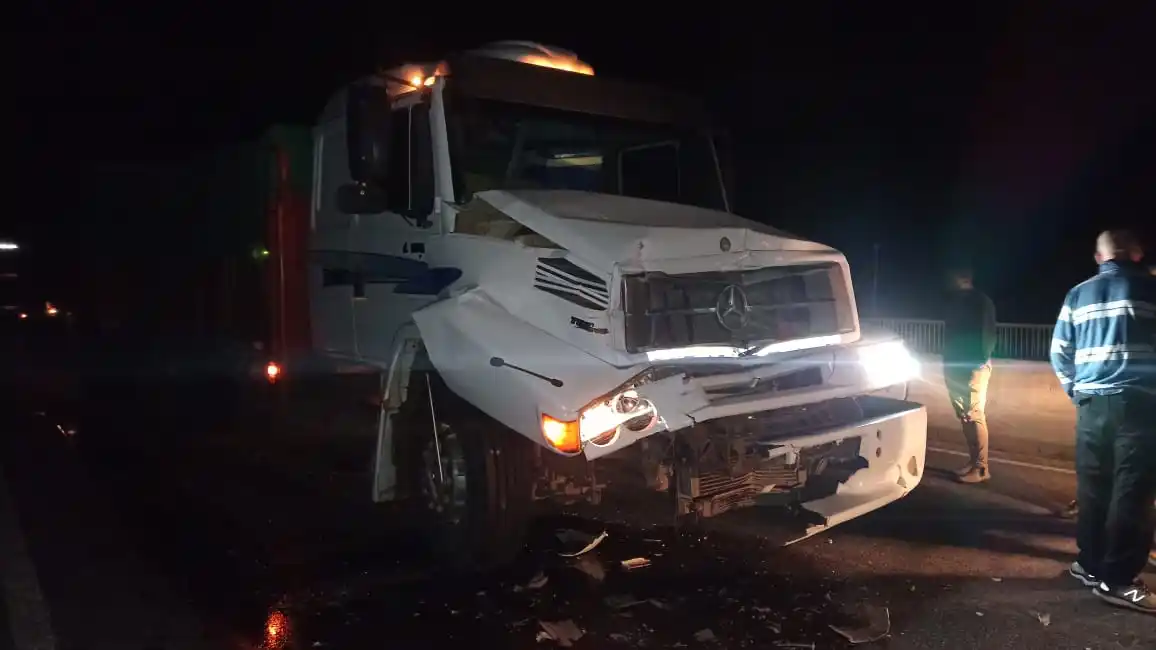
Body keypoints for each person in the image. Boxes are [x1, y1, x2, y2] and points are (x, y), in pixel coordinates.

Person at [1052, 230, 1156, 614]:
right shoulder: (1150, 289)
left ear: (1100, 257)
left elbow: (1060, 350)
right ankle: (1119, 581)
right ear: (1137, 251)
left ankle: (1089, 564)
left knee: (1094, 487)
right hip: (1140, 404)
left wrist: (1076, 392)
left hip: (1091, 403)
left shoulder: (1078, 294)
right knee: (1133, 493)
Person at [942, 267, 997, 483]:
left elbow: (988, 333)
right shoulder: (955, 301)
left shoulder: (981, 301)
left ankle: (981, 467)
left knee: (974, 414)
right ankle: (974, 461)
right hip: (955, 365)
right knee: (965, 416)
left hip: (972, 365)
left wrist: (978, 362)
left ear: (961, 278)